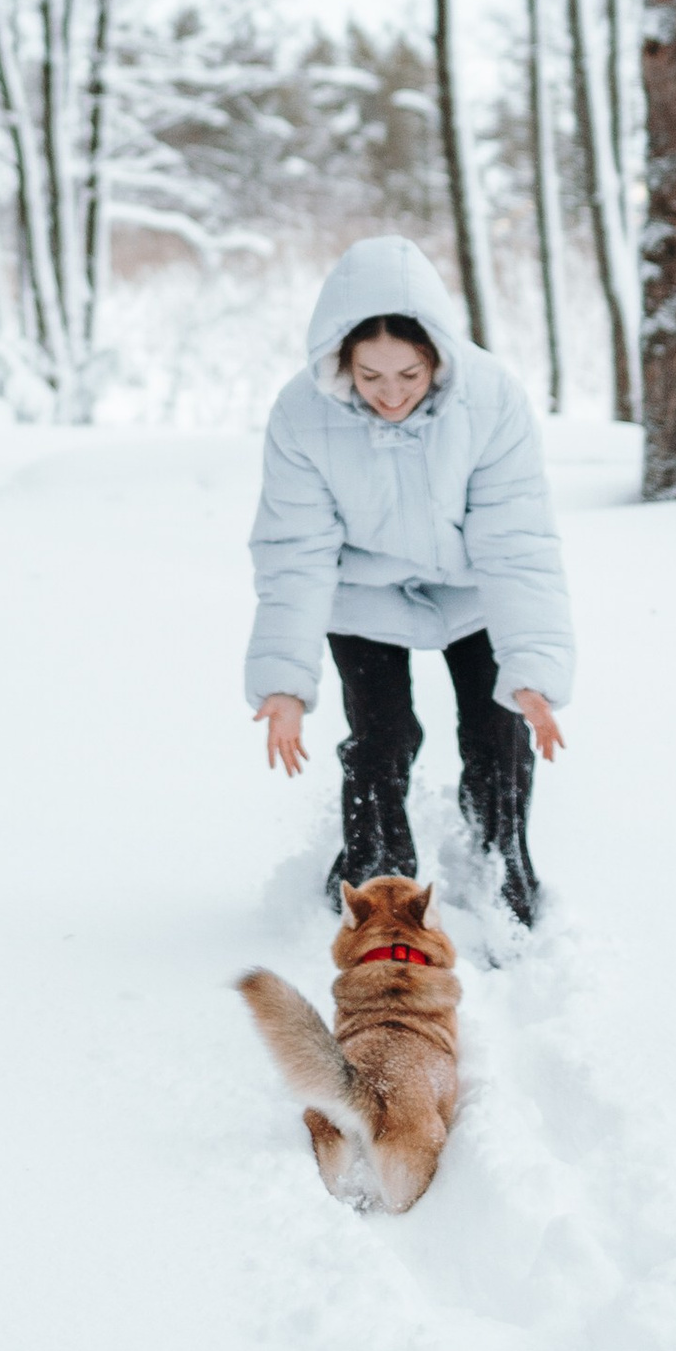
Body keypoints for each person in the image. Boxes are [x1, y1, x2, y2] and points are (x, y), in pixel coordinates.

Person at [245, 233, 572, 926]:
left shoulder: (491, 400)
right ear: (342, 364)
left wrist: (532, 667)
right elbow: (295, 552)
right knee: (383, 737)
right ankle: (374, 880)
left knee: (496, 728)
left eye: (409, 375)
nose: (390, 394)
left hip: (471, 586)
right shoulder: (302, 414)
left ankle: (499, 864)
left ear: (437, 359)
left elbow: (515, 544)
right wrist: (284, 682)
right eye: (370, 376)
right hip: (361, 595)